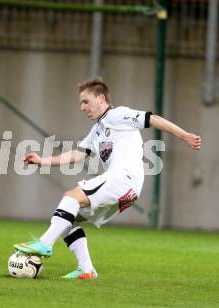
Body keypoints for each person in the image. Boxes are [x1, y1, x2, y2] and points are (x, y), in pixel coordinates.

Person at [14, 78, 201, 280]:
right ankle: (86, 270)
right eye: (80, 103)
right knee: (68, 217)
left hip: (123, 178)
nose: (82, 107)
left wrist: (184, 136)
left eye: (85, 101)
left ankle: (45, 244)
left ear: (101, 98)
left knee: (71, 197)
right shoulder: (97, 130)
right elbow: (77, 155)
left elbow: (153, 119)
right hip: (128, 190)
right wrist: (42, 161)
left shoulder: (117, 114)